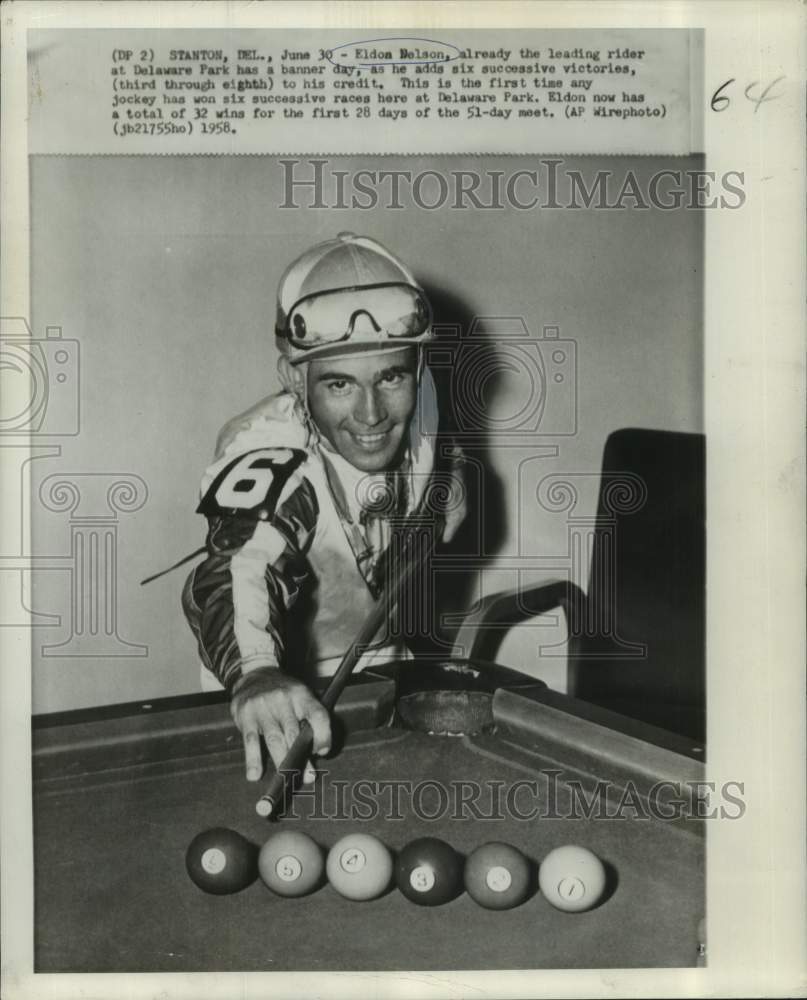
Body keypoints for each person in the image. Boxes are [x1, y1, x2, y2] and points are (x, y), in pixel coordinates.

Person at [182, 233, 466, 785]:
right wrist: (258, 675)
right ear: (294, 377)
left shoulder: (421, 391)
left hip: (387, 672)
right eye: (339, 384)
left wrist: (453, 472)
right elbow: (236, 568)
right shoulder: (274, 455)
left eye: (391, 377)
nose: (372, 414)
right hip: (277, 699)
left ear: (416, 366)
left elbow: (432, 430)